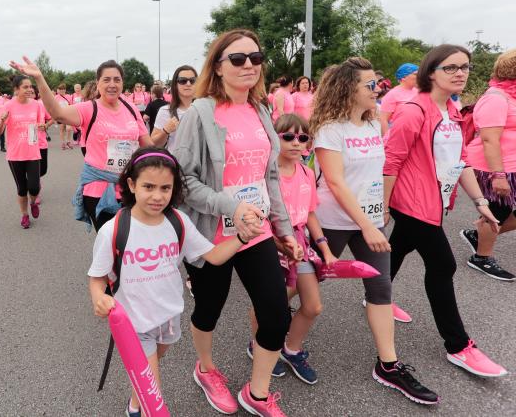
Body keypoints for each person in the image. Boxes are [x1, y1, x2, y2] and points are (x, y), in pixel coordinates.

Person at [174, 29, 299, 416]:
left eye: (255, 58)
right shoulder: (200, 113)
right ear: (219, 66)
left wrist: (285, 230)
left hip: (256, 231)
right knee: (209, 308)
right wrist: (230, 206)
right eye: (238, 59)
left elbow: (270, 178)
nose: (248, 65)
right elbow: (182, 179)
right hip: (212, 234)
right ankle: (207, 368)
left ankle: (256, 394)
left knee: (276, 314)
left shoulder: (262, 111)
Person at [310, 57, 438, 405]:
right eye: (370, 85)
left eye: (377, 83)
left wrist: (379, 212)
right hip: (333, 222)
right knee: (301, 284)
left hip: (369, 221)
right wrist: (367, 225)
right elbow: (335, 182)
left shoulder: (372, 125)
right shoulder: (330, 130)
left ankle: (389, 365)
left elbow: (377, 173)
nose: (377, 88)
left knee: (381, 288)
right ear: (348, 88)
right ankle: (271, 326)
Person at [88, 148, 248, 417]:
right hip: (134, 322)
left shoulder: (178, 222)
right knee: (154, 392)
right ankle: (143, 407)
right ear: (131, 184)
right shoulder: (113, 230)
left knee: (151, 368)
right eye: (148, 186)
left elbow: (214, 255)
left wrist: (242, 238)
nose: (157, 196)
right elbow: (97, 276)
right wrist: (98, 297)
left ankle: (134, 404)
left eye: (165, 188)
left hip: (169, 315)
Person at [384, 44, 507, 378]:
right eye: (451, 67)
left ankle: (376, 295)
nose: (461, 73)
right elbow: (391, 161)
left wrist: (481, 202)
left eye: (465, 67)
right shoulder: (413, 110)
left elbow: (461, 161)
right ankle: (458, 345)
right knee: (443, 265)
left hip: (436, 201)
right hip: (414, 202)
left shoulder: (452, 110)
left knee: (398, 248)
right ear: (431, 72)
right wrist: (383, 207)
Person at [10, 58, 152, 231]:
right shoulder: (89, 108)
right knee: (114, 241)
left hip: (130, 187)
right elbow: (58, 113)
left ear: (123, 83)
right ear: (98, 84)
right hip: (99, 189)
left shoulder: (131, 109)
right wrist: (39, 78)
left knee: (132, 241)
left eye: (117, 79)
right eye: (106, 80)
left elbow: (148, 146)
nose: (112, 84)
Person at [248, 113, 337, 385]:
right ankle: (258, 344)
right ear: (274, 139)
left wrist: (324, 246)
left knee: (313, 306)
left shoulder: (307, 172)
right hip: (270, 242)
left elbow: (310, 214)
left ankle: (291, 349)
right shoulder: (264, 172)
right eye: (287, 136)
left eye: (302, 137)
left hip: (300, 243)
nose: (295, 143)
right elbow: (260, 215)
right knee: (270, 302)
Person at [460, 48, 516, 281]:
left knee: (498, 214)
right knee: (498, 210)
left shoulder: (512, 95)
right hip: (493, 167)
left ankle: (479, 234)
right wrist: (498, 175)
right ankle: (481, 257)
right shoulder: (496, 97)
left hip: (511, 165)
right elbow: (488, 139)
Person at [0, 76, 44, 229]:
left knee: (34, 187)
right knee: (22, 188)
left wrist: (42, 125)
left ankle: (33, 202)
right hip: (15, 154)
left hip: (32, 151)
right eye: (25, 87)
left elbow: (39, 123)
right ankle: (24, 214)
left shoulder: (36, 105)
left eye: (30, 86)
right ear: (16, 90)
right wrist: (2, 121)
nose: (29, 89)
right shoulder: (8, 106)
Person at [151, 65, 197, 150]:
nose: (188, 84)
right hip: (175, 162)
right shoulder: (165, 111)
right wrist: (165, 131)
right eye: (183, 81)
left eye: (192, 80)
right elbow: (153, 144)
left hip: (201, 162)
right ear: (175, 85)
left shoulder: (204, 110)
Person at [379, 63, 419, 136]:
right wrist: (387, 139)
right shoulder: (392, 94)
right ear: (404, 77)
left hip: (418, 135)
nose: (419, 77)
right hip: (400, 136)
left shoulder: (418, 92)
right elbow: (383, 120)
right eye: (415, 74)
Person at [54, 84, 73, 150]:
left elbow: (71, 105)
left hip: (68, 114)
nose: (61, 90)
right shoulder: (56, 97)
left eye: (63, 89)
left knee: (69, 129)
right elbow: (55, 107)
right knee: (62, 129)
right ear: (58, 90)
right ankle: (63, 143)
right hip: (60, 115)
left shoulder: (69, 96)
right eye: (60, 89)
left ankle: (68, 141)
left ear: (65, 89)